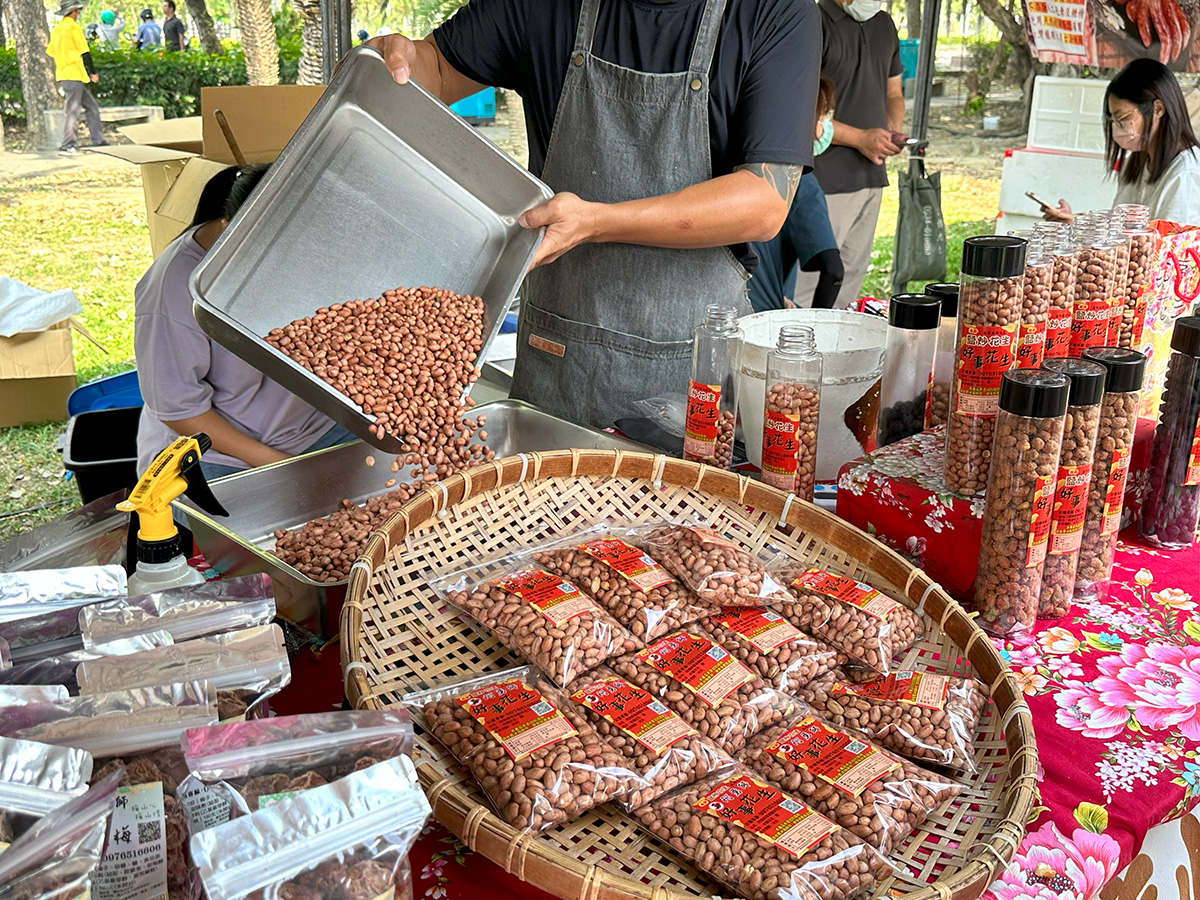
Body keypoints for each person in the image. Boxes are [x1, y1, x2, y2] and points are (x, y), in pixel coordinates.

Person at [367, 0, 819, 429]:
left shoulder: (774, 12)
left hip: (693, 380)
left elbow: (764, 202)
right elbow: (441, 70)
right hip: (557, 362)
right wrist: (401, 60)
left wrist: (597, 222)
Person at [135, 166, 356, 481]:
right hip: (219, 456)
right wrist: (280, 466)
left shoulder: (307, 249)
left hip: (318, 429)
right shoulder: (173, 288)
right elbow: (178, 410)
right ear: (231, 229)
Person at [795, 0, 907, 310]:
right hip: (822, 179)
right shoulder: (812, 20)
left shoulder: (884, 24)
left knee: (848, 285)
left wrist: (889, 133)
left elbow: (894, 94)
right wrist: (860, 138)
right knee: (808, 287)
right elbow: (800, 105)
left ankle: (831, 354)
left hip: (871, 176)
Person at [1043, 58, 1200, 227]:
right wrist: (1078, 221)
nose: (1117, 128)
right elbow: (1121, 228)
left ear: (1158, 109)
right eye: (1113, 120)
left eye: (1123, 118)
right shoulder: (1136, 163)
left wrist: (1082, 224)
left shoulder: (1186, 173)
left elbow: (1170, 246)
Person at [749, 77, 844, 311]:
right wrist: (813, 325)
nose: (826, 125)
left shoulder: (731, 170)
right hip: (766, 318)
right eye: (824, 116)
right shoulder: (799, 183)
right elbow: (833, 271)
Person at [46, 0, 106, 155]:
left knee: (92, 107)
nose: (78, 14)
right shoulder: (73, 27)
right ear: (72, 12)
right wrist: (93, 72)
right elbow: (84, 52)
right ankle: (67, 144)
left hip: (64, 74)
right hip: (74, 74)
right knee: (72, 110)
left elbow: (51, 52)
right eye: (77, 11)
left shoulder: (57, 30)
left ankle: (98, 140)